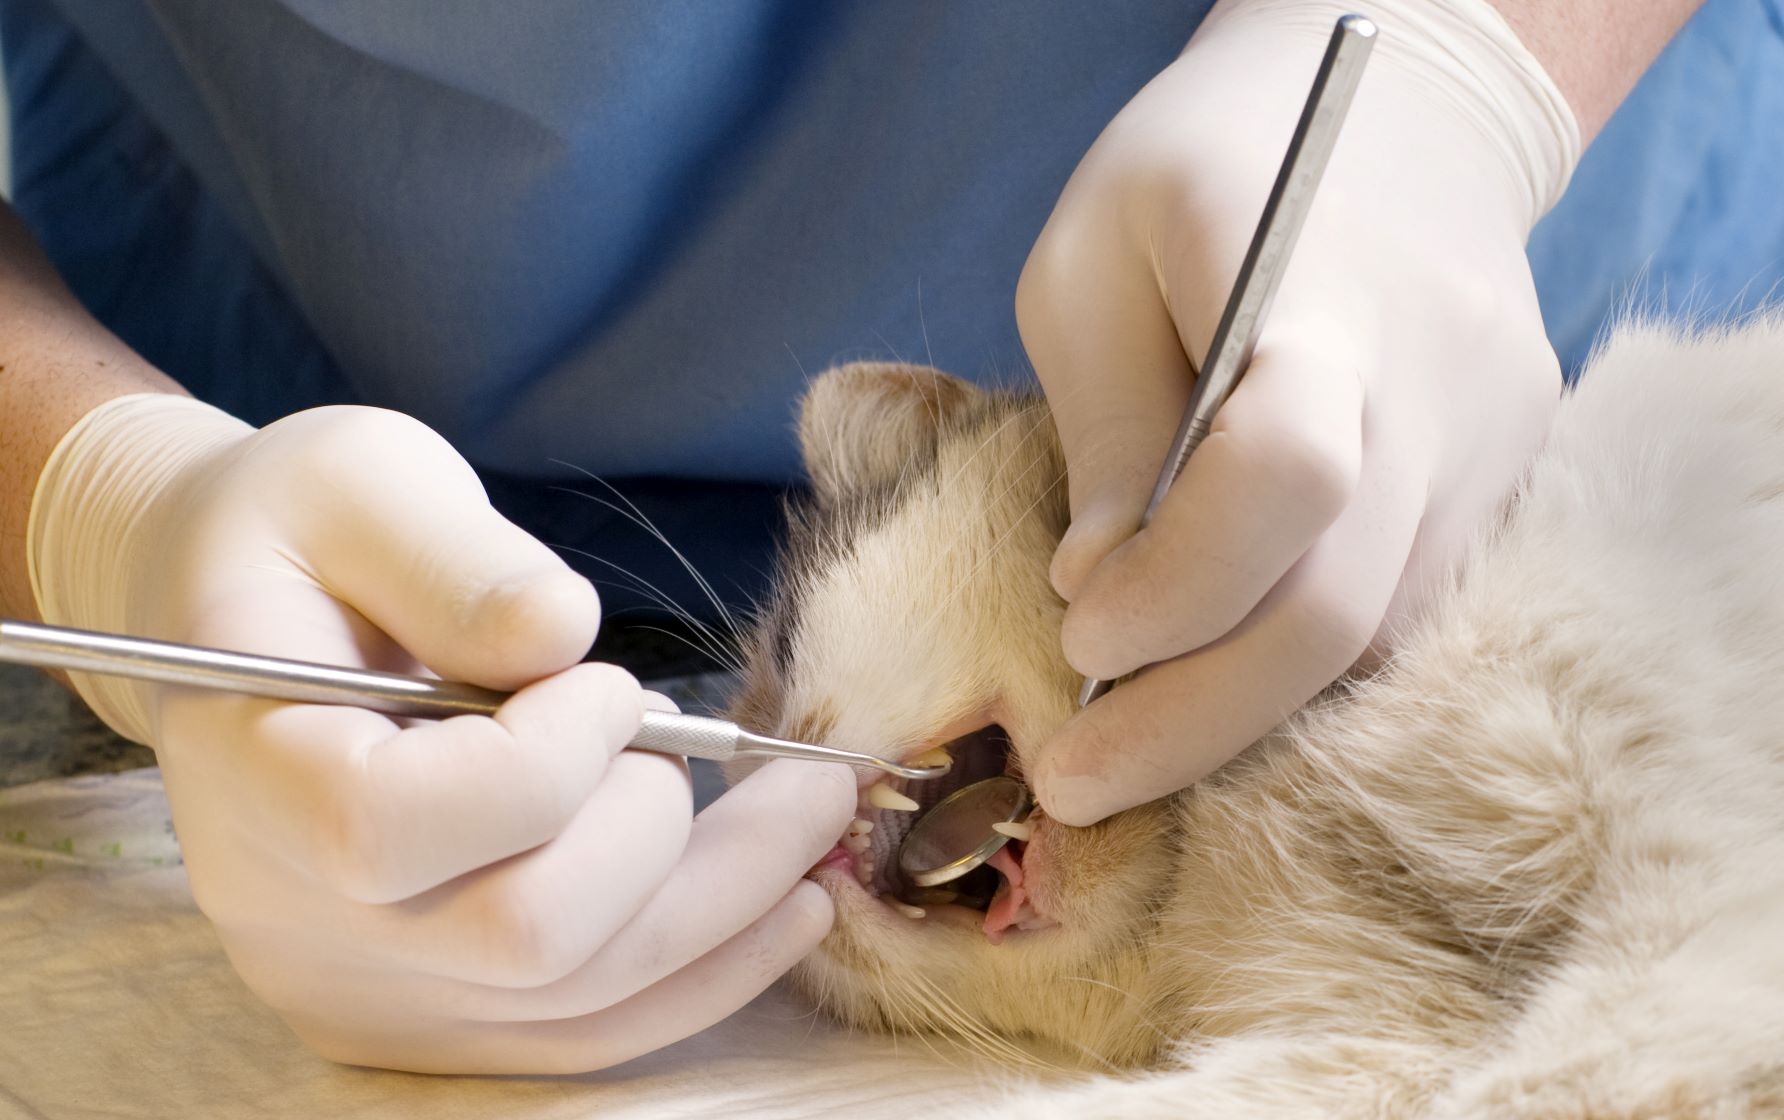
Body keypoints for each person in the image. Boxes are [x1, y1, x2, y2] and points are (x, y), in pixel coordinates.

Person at [0, 0, 1775, 1074]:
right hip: (387, 548)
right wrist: (105, 500)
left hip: (1540, 340)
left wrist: (1469, 63)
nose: (770, 777)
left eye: (782, 664)